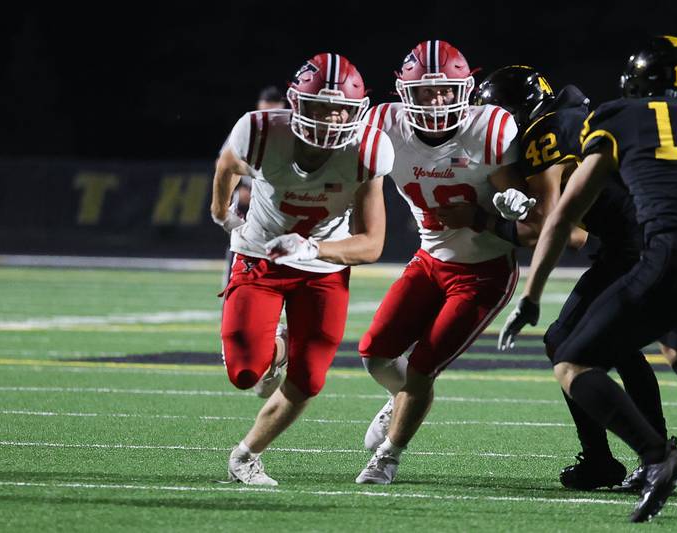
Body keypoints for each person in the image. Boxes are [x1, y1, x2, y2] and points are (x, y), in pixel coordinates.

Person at [518, 35, 677, 522]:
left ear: (637, 84)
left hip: (672, 257)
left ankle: (657, 457)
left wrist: (530, 296)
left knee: (571, 360)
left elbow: (559, 218)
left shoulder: (619, 117)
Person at [477, 65, 668, 492]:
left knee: (565, 342)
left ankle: (625, 457)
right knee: (612, 347)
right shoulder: (571, 119)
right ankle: (640, 453)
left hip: (637, 246)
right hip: (646, 240)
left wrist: (482, 218)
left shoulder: (548, 130)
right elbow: (578, 234)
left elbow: (549, 227)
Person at [354, 40, 534, 485]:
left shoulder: (489, 129)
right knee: (375, 355)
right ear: (402, 93)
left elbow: (533, 226)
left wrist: (508, 208)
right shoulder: (382, 125)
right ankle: (402, 398)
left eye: (445, 90)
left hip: (485, 270)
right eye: (425, 91)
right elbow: (351, 181)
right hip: (430, 259)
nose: (436, 100)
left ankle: (389, 456)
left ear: (466, 89)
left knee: (422, 367)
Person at [210, 52, 394, 485]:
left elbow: (371, 245)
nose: (330, 120)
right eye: (319, 108)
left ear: (357, 111)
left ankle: (246, 456)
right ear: (296, 104)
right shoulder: (259, 132)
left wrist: (313, 246)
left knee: (309, 379)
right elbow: (226, 166)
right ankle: (278, 343)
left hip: (321, 268)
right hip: (259, 258)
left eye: (340, 110)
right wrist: (222, 213)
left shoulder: (367, 149)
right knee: (244, 373)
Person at [219, 86, 288, 399]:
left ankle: (278, 346)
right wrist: (227, 206)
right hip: (253, 236)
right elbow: (227, 164)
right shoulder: (249, 129)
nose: (267, 117)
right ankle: (270, 351)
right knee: (239, 361)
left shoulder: (298, 133)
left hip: (298, 235)